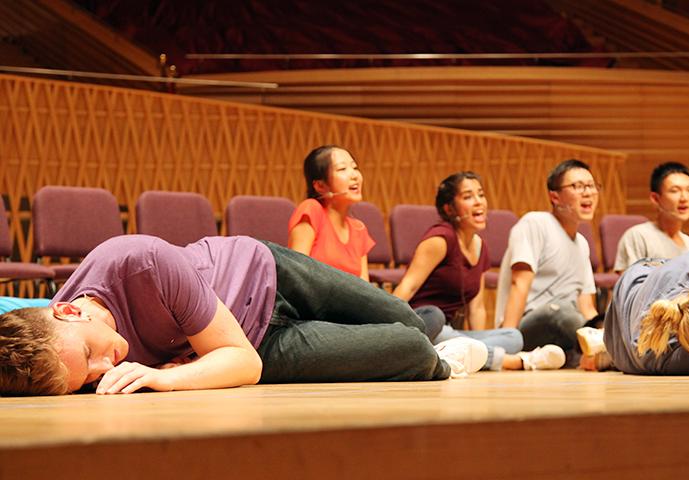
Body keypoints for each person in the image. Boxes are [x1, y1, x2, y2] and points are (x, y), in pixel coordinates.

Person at [0, 234, 489, 396]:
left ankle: (432, 324)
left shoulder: (139, 259)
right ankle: (441, 344)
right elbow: (247, 363)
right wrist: (170, 376)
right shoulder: (56, 355)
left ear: (64, 309)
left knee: (403, 318)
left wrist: (164, 377)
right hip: (255, 345)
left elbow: (237, 361)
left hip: (266, 271)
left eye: (91, 353)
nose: (105, 370)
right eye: (88, 379)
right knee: (415, 352)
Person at [392, 172, 564, 371]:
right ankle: (514, 361)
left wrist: (478, 342)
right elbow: (408, 285)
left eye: (481, 195)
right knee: (437, 318)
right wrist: (388, 327)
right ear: (449, 208)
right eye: (468, 197)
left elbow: (477, 307)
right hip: (424, 322)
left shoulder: (480, 246)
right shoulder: (440, 239)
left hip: (449, 332)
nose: (479, 202)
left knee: (513, 336)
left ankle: (455, 355)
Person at [495, 159, 600, 367]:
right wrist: (507, 341)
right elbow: (519, 284)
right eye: (578, 186)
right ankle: (599, 353)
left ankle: (590, 354)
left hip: (568, 325)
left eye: (591, 185)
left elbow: (587, 306)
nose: (588, 192)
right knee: (558, 311)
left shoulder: (582, 244)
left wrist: (602, 329)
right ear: (555, 196)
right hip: (531, 323)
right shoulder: (535, 223)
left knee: (598, 321)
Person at [288, 145, 374, 282]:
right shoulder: (311, 210)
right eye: (342, 169)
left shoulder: (359, 228)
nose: (354, 175)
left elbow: (365, 289)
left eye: (355, 168)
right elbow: (296, 275)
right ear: (320, 186)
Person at [613, 162, 689, 273]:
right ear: (655, 199)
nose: (684, 198)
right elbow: (631, 285)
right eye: (675, 191)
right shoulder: (638, 236)